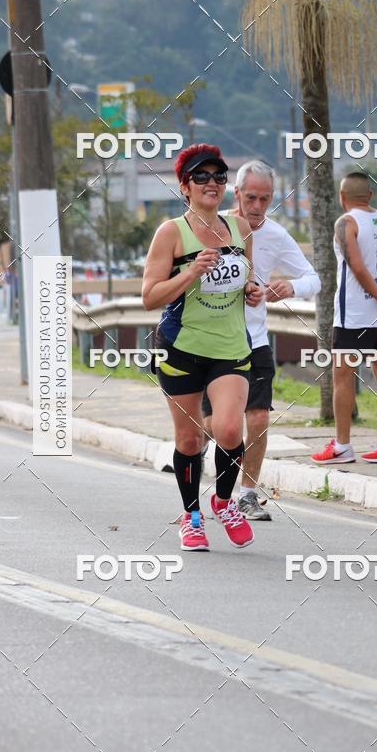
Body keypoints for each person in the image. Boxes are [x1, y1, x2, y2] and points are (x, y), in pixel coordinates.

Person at [142, 143, 263, 551]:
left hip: (230, 347)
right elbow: (149, 296)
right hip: (181, 348)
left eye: (218, 176)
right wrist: (192, 271)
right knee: (190, 440)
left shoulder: (240, 228)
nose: (212, 183)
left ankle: (224, 502)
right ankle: (191, 516)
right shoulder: (171, 232)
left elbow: (246, 277)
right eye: (201, 176)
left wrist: (252, 290)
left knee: (229, 428)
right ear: (185, 186)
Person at [203, 160, 321, 520]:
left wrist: (291, 287)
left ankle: (247, 494)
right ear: (235, 193)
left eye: (265, 199)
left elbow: (312, 278)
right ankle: (202, 448)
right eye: (250, 197)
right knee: (216, 426)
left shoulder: (275, 234)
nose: (256, 207)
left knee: (257, 420)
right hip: (211, 342)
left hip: (253, 341)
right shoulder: (211, 227)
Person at [311, 171, 377, 464]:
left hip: (353, 315)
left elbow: (355, 265)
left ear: (342, 198)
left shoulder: (346, 222)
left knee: (342, 377)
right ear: (370, 196)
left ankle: (342, 446)